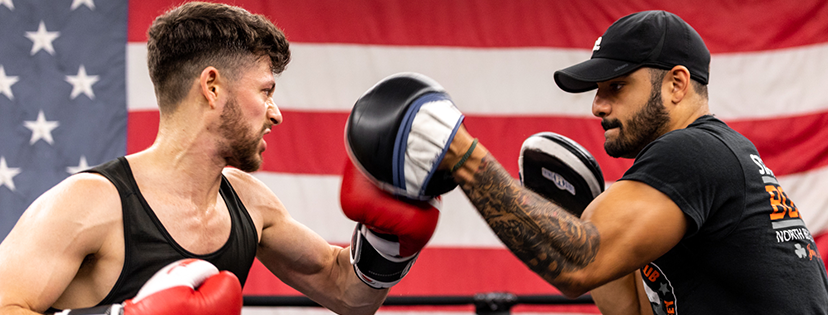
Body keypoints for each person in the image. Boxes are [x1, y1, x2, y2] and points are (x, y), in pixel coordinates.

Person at [345, 10, 828, 315]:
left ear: (677, 85)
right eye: (597, 91)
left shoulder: (692, 153)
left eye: (616, 87)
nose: (598, 106)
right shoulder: (719, 161)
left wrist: (463, 156)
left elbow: (577, 263)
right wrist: (578, 214)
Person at [0, 2, 438, 314]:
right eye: (265, 90)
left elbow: (346, 292)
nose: (276, 113)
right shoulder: (90, 203)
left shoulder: (250, 203)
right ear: (212, 87)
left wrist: (386, 244)